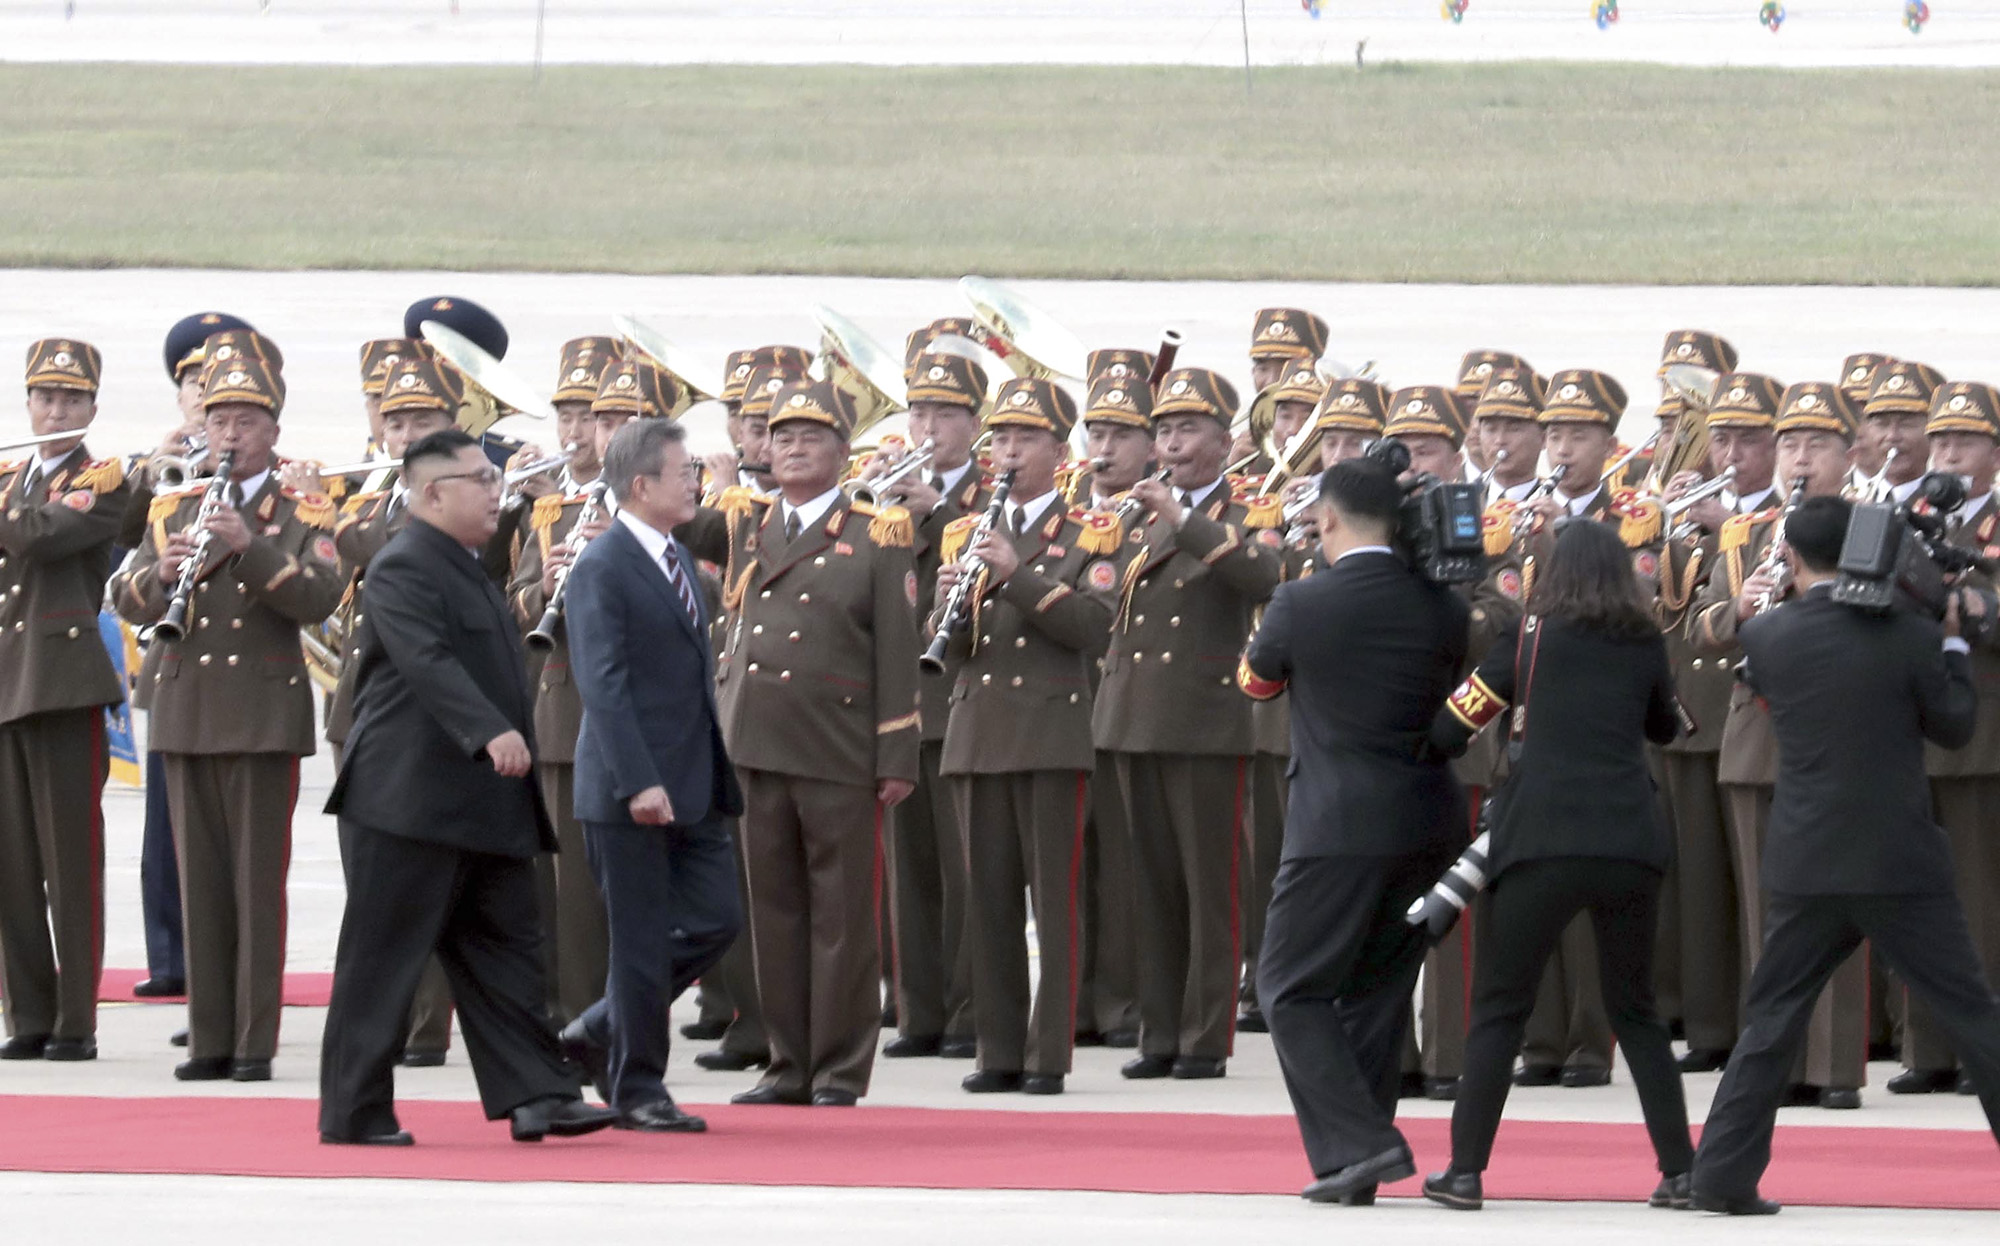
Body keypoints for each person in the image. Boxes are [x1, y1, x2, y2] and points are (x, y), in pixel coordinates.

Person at [1691, 495, 2000, 1214]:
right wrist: (1953, 643)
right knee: (1972, 1015)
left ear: (1789, 557)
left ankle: (1721, 1177)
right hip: (1899, 860)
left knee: (1771, 1021)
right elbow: (1954, 727)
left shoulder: (1767, 635)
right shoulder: (1912, 635)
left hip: (1806, 858)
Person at [318, 428, 617, 1146]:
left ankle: (539, 1095)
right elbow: (425, 659)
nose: (496, 491)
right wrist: (488, 730)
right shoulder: (402, 564)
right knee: (383, 960)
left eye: (495, 478)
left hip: (484, 799)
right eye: (480, 480)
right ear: (431, 493)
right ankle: (354, 1111)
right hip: (408, 800)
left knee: (507, 952)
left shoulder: (466, 563)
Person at [1419, 519, 1694, 1211]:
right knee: (1636, 1012)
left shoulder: (1528, 638)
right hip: (1628, 840)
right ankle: (1680, 1170)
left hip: (1538, 840)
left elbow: (1453, 726)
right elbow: (1665, 727)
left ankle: (1465, 1172)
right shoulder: (1644, 641)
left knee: (1500, 1010)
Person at [680, 377, 922, 1107]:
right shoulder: (747, 524)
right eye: (781, 437)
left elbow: (897, 652)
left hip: (837, 746)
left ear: (844, 453)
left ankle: (839, 1068)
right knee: (775, 915)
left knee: (842, 919)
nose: (791, 448)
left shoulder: (878, 533)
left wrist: (896, 754)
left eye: (810, 437)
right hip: (757, 742)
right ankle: (786, 1063)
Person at [109, 338, 341, 1082]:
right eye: (218, 421)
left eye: (245, 421)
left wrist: (251, 548)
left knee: (254, 886)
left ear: (273, 429)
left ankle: (251, 1042)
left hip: (261, 712)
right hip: (185, 707)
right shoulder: (175, 501)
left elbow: (320, 596)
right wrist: (159, 575)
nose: (230, 435)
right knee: (201, 883)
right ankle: (208, 1037)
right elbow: (125, 596)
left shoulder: (301, 507)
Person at [1239, 454, 1469, 1203]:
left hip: (1336, 821)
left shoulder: (1301, 600)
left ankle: (1363, 1144)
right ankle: (1353, 1165)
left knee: (1287, 986)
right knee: (1376, 993)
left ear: (1327, 518)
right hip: (1429, 818)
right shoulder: (1442, 604)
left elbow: (1257, 682)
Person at [551, 417, 743, 1131]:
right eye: (684, 473)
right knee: (638, 940)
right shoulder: (602, 565)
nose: (696, 483)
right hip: (630, 788)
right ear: (641, 485)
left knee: (717, 919)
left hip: (692, 780)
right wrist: (638, 780)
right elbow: (602, 684)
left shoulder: (676, 556)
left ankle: (600, 1027)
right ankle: (637, 1089)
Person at [931, 377, 1119, 1095]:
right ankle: (998, 1049)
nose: (1008, 451)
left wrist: (1015, 576)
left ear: (1059, 452)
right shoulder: (965, 531)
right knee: (988, 902)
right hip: (978, 730)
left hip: (1048, 731)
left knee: (1055, 902)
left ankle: (1047, 1056)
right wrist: (947, 608)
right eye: (1001, 439)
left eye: (1026, 439)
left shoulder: (1088, 532)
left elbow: (1092, 627)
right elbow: (949, 649)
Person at [1096, 366, 1281, 1082]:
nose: (1173, 443)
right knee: (1151, 886)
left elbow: (1263, 577)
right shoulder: (1130, 514)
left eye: (1189, 430)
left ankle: (1204, 1038)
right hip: (1134, 714)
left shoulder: (1248, 507)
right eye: (1165, 430)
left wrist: (1182, 518)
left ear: (1224, 442)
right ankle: (1159, 1030)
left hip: (1205, 719)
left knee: (1209, 888)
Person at [0, 339, 130, 1062]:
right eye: (46, 398)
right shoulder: (10, 478)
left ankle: (76, 1022)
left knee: (70, 863)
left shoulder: (102, 479)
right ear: (27, 403)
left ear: (91, 408)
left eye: (71, 399)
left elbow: (41, 536)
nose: (56, 410)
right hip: (5, 685)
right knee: (12, 866)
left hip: (62, 684)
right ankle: (27, 1015)